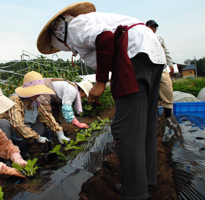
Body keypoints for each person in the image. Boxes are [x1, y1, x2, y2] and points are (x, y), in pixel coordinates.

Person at [36, 2, 166, 200]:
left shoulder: (74, 27)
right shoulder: (88, 23)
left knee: (125, 130)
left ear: (57, 34)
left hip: (134, 55)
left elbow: (104, 38)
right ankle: (144, 181)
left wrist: (101, 81)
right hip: (151, 54)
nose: (63, 48)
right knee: (145, 123)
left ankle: (134, 193)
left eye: (57, 45)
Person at [0, 71, 70, 157]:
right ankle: (6, 155)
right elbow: (17, 124)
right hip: (9, 136)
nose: (38, 94)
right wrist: (37, 137)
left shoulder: (35, 102)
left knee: (40, 126)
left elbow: (47, 117)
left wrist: (59, 133)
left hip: (23, 137)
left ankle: (22, 151)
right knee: (3, 123)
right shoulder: (16, 100)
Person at [146, 20, 174, 119]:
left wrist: (170, 63)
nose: (153, 29)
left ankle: (168, 118)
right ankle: (154, 116)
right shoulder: (144, 38)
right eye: (151, 27)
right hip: (149, 70)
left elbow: (165, 51)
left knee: (167, 90)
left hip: (162, 68)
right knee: (151, 93)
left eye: (155, 28)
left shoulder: (159, 39)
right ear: (146, 27)